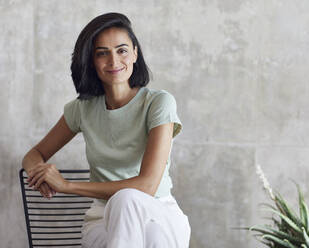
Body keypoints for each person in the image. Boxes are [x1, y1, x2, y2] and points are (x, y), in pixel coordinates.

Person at [22, 12, 191, 248]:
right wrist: (40, 173)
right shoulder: (82, 109)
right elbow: (32, 155)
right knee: (127, 210)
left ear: (135, 53)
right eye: (102, 53)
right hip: (102, 220)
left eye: (121, 50)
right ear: (91, 60)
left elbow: (147, 186)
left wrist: (67, 186)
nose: (113, 61)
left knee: (130, 202)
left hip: (159, 211)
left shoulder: (159, 103)